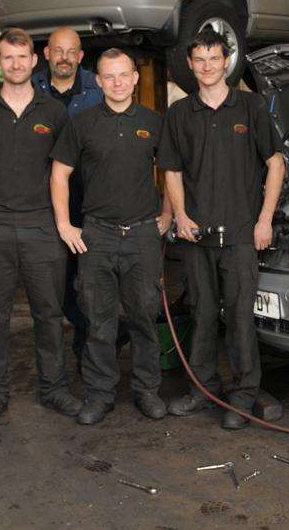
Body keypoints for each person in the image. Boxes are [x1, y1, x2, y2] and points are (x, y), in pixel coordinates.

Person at [157, 28, 285, 430]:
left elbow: (276, 164)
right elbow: (171, 170)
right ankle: (202, 387)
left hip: (242, 233)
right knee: (203, 312)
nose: (208, 66)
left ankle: (244, 395)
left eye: (215, 58)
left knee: (241, 318)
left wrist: (264, 220)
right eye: (200, 60)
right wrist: (179, 214)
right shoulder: (180, 113)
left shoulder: (251, 107)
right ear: (191, 65)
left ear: (226, 61)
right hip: (197, 235)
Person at [0, 27, 81, 426]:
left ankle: (54, 388)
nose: (15, 64)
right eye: (7, 57)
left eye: (22, 57)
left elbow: (65, 169)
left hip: (41, 227)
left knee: (48, 312)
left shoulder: (54, 113)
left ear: (34, 61)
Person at [50, 48, 173, 425]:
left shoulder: (154, 122)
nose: (117, 82)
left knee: (143, 318)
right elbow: (59, 174)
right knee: (98, 322)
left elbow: (171, 172)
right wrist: (64, 225)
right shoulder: (81, 123)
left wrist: (167, 213)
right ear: (98, 81)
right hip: (97, 236)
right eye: (109, 76)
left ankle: (146, 391)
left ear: (135, 78)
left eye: (124, 75)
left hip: (141, 235)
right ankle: (99, 394)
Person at [32, 27, 103, 367]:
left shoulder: (98, 88)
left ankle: (87, 351)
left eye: (70, 50)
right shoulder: (30, 89)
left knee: (90, 282)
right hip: (44, 205)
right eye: (57, 50)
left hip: (90, 203)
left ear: (80, 55)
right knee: (54, 286)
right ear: (46, 54)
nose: (64, 57)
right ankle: (90, 336)